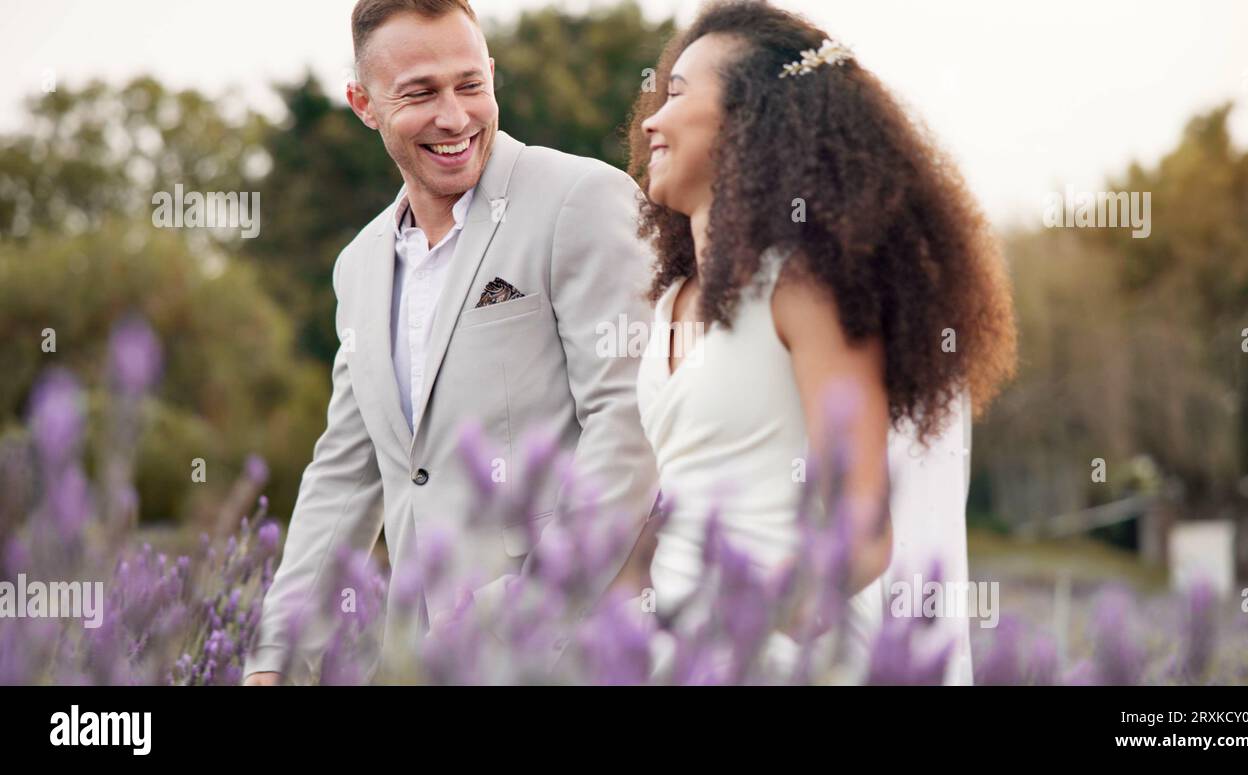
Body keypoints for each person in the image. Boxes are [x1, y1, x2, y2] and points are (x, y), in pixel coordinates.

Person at [243, 0, 660, 685]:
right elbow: (345, 475)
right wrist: (275, 662)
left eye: (470, 84)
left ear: (493, 74)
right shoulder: (358, 264)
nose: (454, 116)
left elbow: (628, 428)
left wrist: (530, 616)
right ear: (362, 103)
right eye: (419, 93)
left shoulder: (580, 199)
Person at [614, 0, 1017, 682]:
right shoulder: (668, 306)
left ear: (749, 120)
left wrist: (739, 636)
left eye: (677, 94)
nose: (651, 118)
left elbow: (861, 537)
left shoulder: (801, 288)